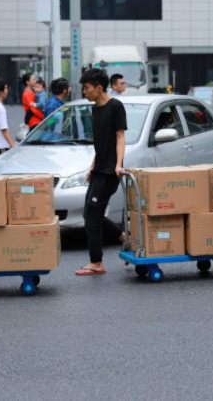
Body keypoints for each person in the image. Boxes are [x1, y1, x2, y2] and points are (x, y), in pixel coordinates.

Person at [75, 68, 127, 276]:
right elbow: (101, 144)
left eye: (86, 88)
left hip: (110, 172)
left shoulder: (115, 106)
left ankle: (97, 263)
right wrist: (92, 166)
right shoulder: (95, 109)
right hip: (98, 170)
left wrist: (119, 164)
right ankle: (122, 236)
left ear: (98, 88)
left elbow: (120, 137)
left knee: (93, 214)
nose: (84, 92)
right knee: (90, 212)